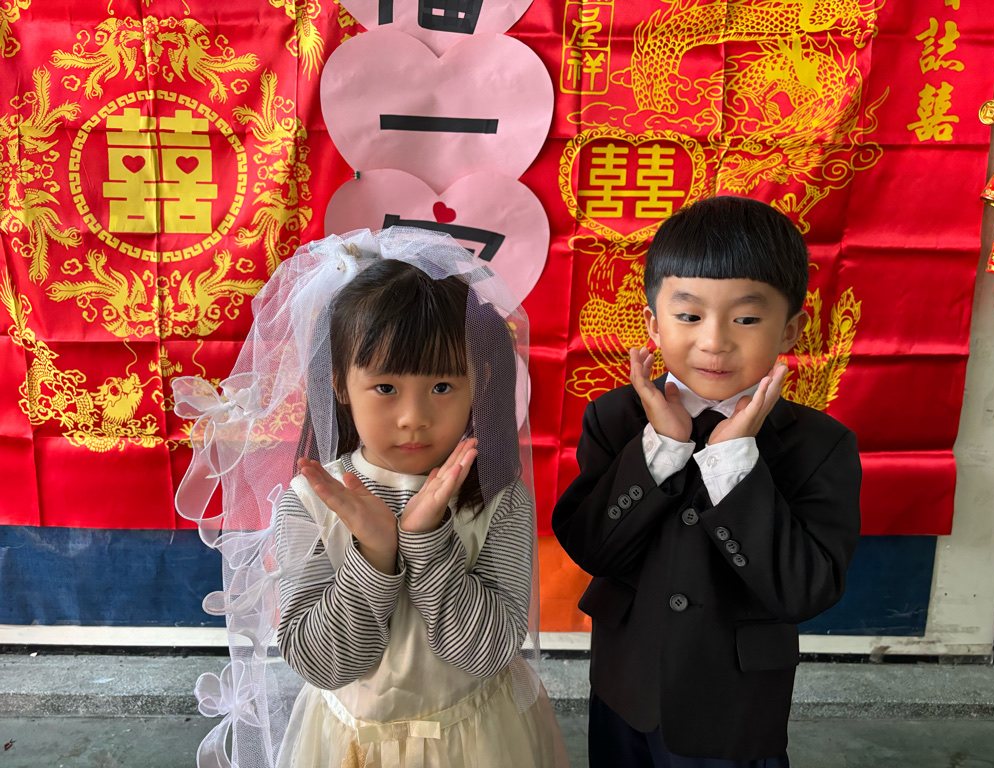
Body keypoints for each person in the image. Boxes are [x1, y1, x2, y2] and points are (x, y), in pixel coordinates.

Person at [173, 229, 565, 768]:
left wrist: (426, 540)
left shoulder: (497, 497)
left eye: (443, 387)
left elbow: (487, 653)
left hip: (476, 740)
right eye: (385, 388)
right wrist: (375, 557)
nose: (413, 417)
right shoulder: (313, 502)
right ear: (339, 383)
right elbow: (323, 664)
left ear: (479, 382)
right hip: (347, 746)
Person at [551, 196, 862, 767]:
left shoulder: (821, 446)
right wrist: (663, 448)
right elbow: (592, 548)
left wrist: (733, 461)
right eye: (690, 316)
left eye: (746, 319)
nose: (714, 342)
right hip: (626, 688)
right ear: (653, 323)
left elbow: (806, 590)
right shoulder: (615, 419)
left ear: (791, 329)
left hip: (733, 710)